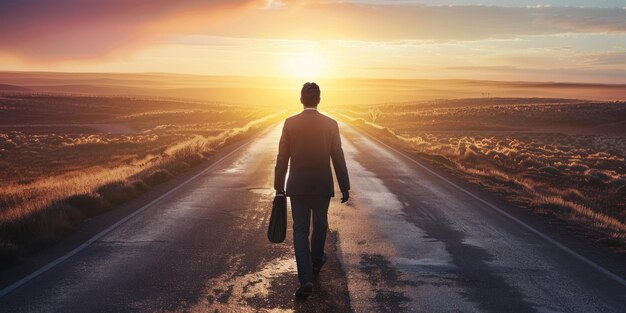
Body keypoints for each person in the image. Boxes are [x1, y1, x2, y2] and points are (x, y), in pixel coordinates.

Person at [274, 82, 350, 299]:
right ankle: (316, 261)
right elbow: (338, 156)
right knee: (320, 224)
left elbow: (282, 158)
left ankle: (306, 278)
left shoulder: (290, 123)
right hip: (321, 186)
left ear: (301, 100)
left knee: (299, 231)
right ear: (319, 100)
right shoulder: (330, 124)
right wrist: (345, 186)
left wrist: (279, 185)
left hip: (297, 186)